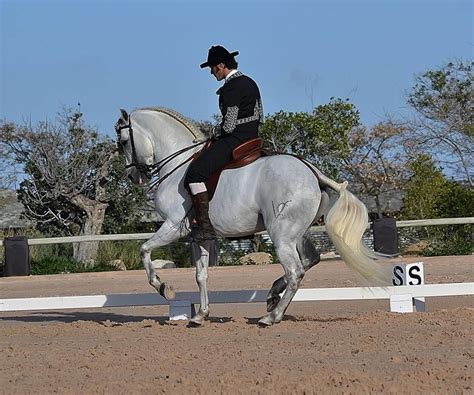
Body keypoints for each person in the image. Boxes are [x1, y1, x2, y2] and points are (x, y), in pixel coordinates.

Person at [184, 45, 264, 241]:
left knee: (194, 174)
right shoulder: (250, 82)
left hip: (235, 139)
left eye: (212, 68)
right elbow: (260, 116)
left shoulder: (232, 87)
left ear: (221, 65)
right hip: (253, 137)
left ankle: (204, 227)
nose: (212, 72)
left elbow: (228, 125)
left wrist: (212, 133)